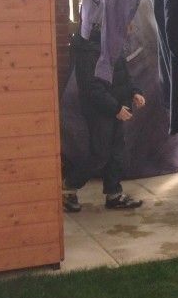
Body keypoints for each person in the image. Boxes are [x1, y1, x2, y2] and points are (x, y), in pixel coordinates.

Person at [63, 28, 146, 212]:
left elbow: (123, 74)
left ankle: (114, 194)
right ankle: (68, 187)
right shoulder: (88, 49)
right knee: (100, 153)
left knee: (116, 151)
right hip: (99, 110)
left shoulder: (113, 43)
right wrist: (114, 108)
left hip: (116, 107)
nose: (129, 27)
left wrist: (134, 92)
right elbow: (90, 87)